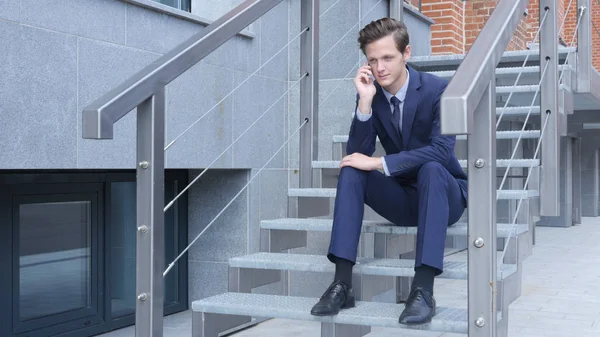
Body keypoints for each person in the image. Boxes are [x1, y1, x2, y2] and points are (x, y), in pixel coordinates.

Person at [309, 18, 468, 325]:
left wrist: (381, 164)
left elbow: (441, 150)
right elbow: (358, 154)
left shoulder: (438, 90)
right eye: (372, 60)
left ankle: (423, 289)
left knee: (432, 167)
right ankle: (342, 283)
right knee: (352, 171)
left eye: (387, 58)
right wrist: (365, 105)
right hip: (404, 197)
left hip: (443, 195)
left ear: (406, 53)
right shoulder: (371, 92)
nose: (379, 67)